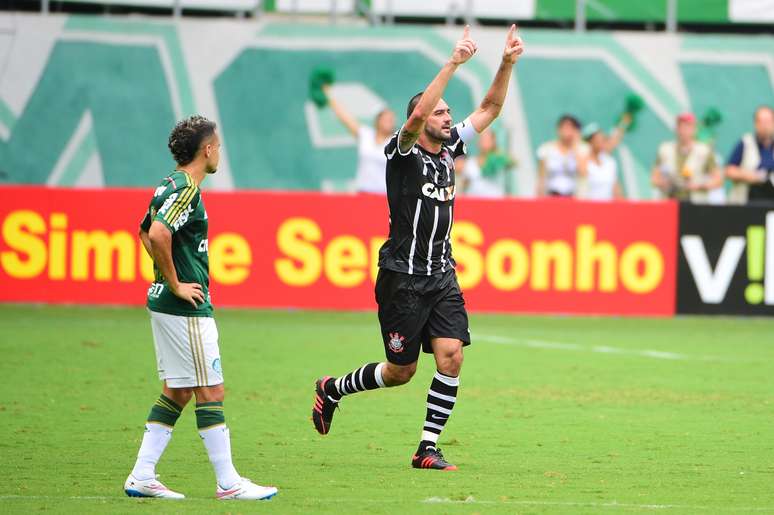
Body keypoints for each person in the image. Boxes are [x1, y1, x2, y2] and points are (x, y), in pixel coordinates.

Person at [311, 25, 524, 471]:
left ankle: (426, 447)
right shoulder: (403, 152)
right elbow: (412, 120)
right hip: (402, 278)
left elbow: (490, 107)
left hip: (441, 274)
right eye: (440, 112)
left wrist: (505, 63)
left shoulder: (450, 150)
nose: (448, 117)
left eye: (449, 112)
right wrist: (452, 63)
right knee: (400, 372)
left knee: (452, 356)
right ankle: (332, 389)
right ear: (422, 119)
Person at [125, 116, 277, 501]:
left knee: (178, 391)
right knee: (211, 390)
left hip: (165, 302)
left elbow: (143, 229)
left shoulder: (169, 183)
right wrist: (176, 282)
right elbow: (158, 233)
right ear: (207, 149)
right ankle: (228, 483)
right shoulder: (187, 188)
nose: (219, 152)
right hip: (184, 308)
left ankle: (142, 475)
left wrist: (163, 273)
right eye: (218, 146)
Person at [323, 84, 396, 194]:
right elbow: (345, 117)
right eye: (386, 119)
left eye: (391, 120)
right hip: (363, 192)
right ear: (378, 120)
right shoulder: (366, 135)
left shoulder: (396, 142)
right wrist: (327, 94)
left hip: (384, 195)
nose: (389, 122)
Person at [651, 112, 722, 203]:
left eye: (688, 127)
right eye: (681, 126)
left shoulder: (704, 151)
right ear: (676, 128)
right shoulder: (665, 150)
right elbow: (654, 178)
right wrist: (663, 183)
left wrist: (699, 186)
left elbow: (718, 180)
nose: (684, 130)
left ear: (694, 129)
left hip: (695, 202)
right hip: (669, 200)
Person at [726, 105, 774, 205]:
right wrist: (753, 176)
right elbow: (729, 170)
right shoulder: (746, 142)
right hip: (746, 202)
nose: (765, 126)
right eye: (761, 121)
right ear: (756, 124)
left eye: (768, 121)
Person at [576, 116, 629, 201]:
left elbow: (615, 187)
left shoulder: (610, 162)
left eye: (602, 138)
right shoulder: (583, 160)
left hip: (607, 208)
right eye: (597, 139)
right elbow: (582, 173)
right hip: (588, 207)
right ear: (590, 141)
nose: (601, 141)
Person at [536, 114, 587, 197]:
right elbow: (541, 178)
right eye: (565, 127)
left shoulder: (582, 149)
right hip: (552, 195)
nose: (567, 131)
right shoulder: (546, 149)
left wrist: (575, 145)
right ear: (558, 129)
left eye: (571, 128)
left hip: (572, 196)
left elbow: (583, 173)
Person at [456, 129, 516, 198]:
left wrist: (498, 156)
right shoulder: (469, 163)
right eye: (482, 139)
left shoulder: (498, 159)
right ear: (478, 142)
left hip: (495, 202)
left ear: (493, 141)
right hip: (474, 203)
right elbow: (464, 184)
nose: (484, 142)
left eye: (487, 139)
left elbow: (512, 162)